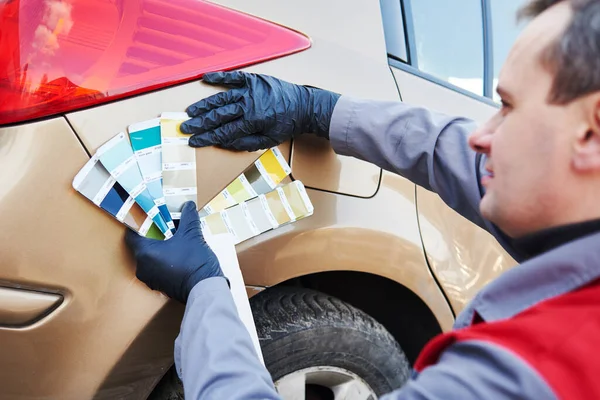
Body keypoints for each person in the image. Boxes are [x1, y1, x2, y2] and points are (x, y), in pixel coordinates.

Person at [125, 0, 600, 398]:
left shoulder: (536, 371)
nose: (481, 135)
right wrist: (320, 110)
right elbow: (450, 154)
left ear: (591, 132)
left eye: (508, 107)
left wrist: (206, 291)